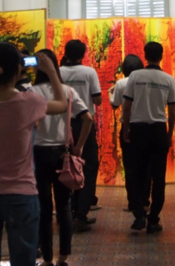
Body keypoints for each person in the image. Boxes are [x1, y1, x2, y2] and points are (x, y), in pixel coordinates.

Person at [0, 42, 67, 266]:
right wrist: (51, 72)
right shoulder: (30, 102)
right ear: (18, 69)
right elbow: (63, 104)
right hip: (21, 193)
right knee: (24, 260)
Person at [32, 49, 93, 266]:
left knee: (43, 207)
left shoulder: (30, 92)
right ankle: (64, 256)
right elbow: (87, 118)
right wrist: (79, 146)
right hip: (62, 153)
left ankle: (47, 258)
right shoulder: (68, 92)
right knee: (64, 206)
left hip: (37, 154)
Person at [123, 41, 175, 234]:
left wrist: (126, 128)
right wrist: (169, 134)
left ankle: (139, 214)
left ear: (145, 55)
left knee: (136, 173)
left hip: (138, 129)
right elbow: (172, 111)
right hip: (158, 130)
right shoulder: (169, 79)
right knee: (159, 176)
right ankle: (154, 218)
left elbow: (127, 106)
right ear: (161, 56)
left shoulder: (135, 76)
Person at [59, 39, 103, 232]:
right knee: (87, 167)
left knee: (64, 167)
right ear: (83, 54)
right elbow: (97, 99)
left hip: (61, 125)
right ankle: (81, 214)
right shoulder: (89, 72)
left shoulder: (58, 72)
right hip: (84, 124)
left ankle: (66, 211)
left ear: (65, 53)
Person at [109, 54, 145, 212]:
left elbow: (114, 105)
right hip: (145, 125)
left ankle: (133, 202)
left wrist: (110, 93)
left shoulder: (122, 83)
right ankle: (144, 200)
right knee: (145, 166)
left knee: (130, 166)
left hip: (128, 126)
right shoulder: (144, 81)